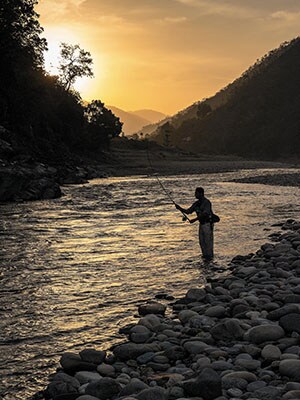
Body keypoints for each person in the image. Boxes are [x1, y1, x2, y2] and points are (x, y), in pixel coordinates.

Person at [175, 187, 214, 261]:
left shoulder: (207, 202)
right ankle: (206, 259)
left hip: (208, 224)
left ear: (201, 193)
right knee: (202, 243)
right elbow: (188, 211)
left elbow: (205, 214)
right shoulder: (196, 204)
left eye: (196, 193)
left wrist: (194, 220)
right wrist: (179, 208)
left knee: (208, 243)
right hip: (201, 224)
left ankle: (210, 259)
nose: (195, 195)